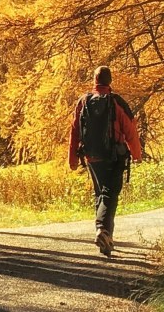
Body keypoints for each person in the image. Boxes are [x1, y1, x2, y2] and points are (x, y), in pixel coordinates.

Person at [67, 65, 142, 257]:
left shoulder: (83, 102)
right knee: (110, 194)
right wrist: (136, 155)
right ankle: (102, 229)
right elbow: (130, 130)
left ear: (95, 80)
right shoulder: (116, 102)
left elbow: (75, 131)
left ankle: (106, 240)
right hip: (113, 156)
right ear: (110, 81)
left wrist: (72, 158)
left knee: (100, 194)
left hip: (91, 156)